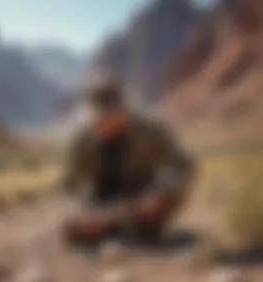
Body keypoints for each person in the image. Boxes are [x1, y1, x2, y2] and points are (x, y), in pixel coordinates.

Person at [61, 73, 196, 245]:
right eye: (101, 118)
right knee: (71, 228)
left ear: (124, 109)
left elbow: (183, 164)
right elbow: (67, 188)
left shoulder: (150, 129)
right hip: (101, 206)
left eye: (113, 114)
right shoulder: (80, 140)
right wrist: (79, 213)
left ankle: (144, 229)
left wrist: (160, 191)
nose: (108, 123)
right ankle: (112, 230)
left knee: (168, 197)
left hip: (141, 201)